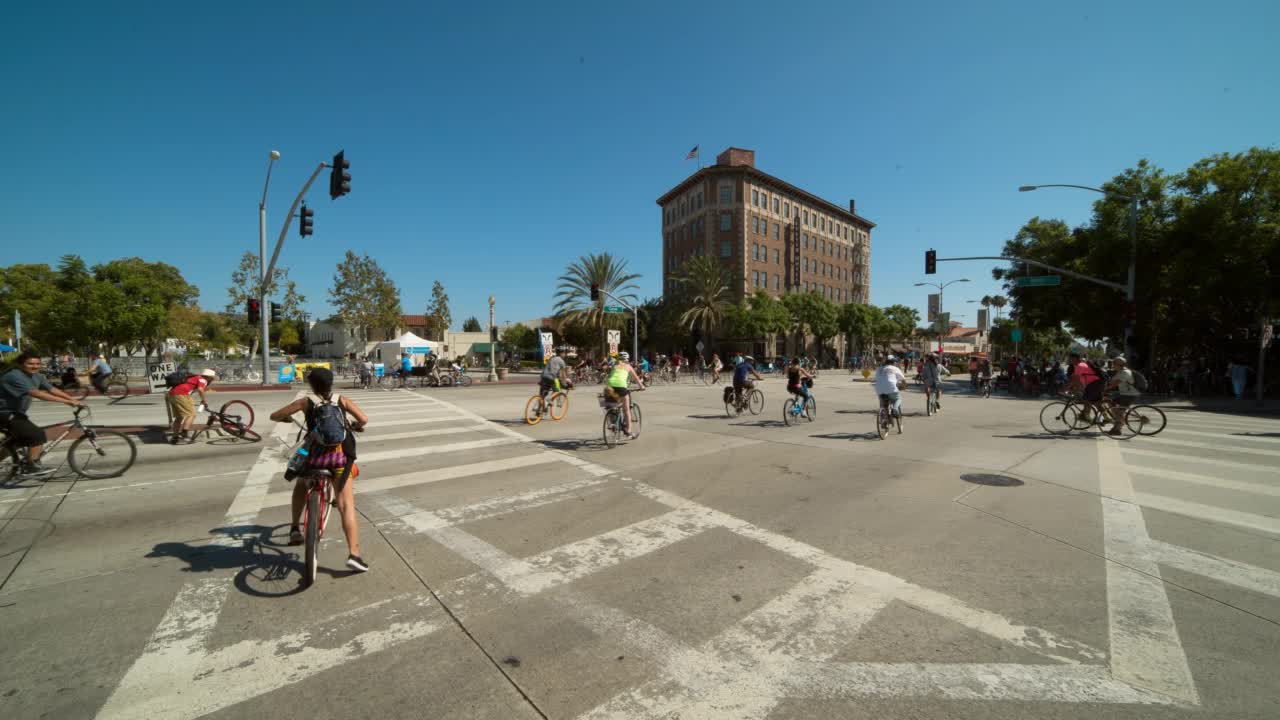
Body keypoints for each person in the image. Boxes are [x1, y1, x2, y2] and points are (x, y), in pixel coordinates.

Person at [269, 368, 370, 572]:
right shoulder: (341, 400)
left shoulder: (306, 402)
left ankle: (295, 528)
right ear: (331, 383)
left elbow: (275, 415)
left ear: (312, 384)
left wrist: (286, 419)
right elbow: (364, 419)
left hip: (313, 458)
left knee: (300, 484)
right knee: (346, 505)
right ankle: (354, 554)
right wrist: (355, 425)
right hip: (339, 458)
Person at [0, 351, 86, 475]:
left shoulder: (36, 376)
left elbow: (51, 389)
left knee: (16, 443)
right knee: (37, 435)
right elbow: (37, 394)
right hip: (5, 413)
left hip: (15, 413)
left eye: (37, 364)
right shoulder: (14, 376)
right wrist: (67, 402)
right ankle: (32, 466)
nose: (34, 366)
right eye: (30, 364)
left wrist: (72, 399)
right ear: (20, 364)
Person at [167, 369, 217, 444]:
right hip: (182, 394)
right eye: (212, 379)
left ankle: (175, 437)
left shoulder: (194, 377)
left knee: (179, 417)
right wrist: (204, 401)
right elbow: (200, 389)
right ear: (209, 377)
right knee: (191, 415)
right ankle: (184, 436)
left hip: (171, 394)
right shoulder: (202, 379)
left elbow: (189, 389)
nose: (212, 380)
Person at [604, 351, 645, 438]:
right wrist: (642, 387)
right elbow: (636, 379)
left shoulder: (615, 365)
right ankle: (629, 431)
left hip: (609, 386)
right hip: (621, 387)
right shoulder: (628, 366)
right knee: (626, 410)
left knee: (613, 405)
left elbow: (610, 375)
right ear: (627, 359)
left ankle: (613, 422)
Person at [1104, 356, 1141, 436]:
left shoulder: (1125, 372)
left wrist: (1105, 389)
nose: (1113, 365)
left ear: (1119, 364)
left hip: (1129, 394)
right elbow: (1111, 381)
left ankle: (1118, 428)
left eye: (1114, 364)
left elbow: (1115, 383)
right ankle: (1119, 419)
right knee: (1111, 403)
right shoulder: (1120, 371)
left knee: (1119, 411)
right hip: (1124, 393)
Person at [1065, 352, 1105, 423]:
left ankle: (1087, 417)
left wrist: (1067, 389)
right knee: (1096, 402)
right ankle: (1106, 417)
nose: (1068, 360)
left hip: (1094, 383)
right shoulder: (1078, 366)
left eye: (1069, 358)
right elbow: (1075, 380)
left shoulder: (1080, 366)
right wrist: (1075, 388)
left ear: (1074, 358)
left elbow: (1075, 380)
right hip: (1096, 383)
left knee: (1087, 400)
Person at [874, 356, 908, 421]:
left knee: (882, 404)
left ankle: (883, 419)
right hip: (891, 388)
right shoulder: (895, 368)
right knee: (898, 399)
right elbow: (903, 380)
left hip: (879, 389)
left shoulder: (880, 369)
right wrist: (904, 386)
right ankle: (895, 409)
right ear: (893, 362)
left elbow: (876, 378)